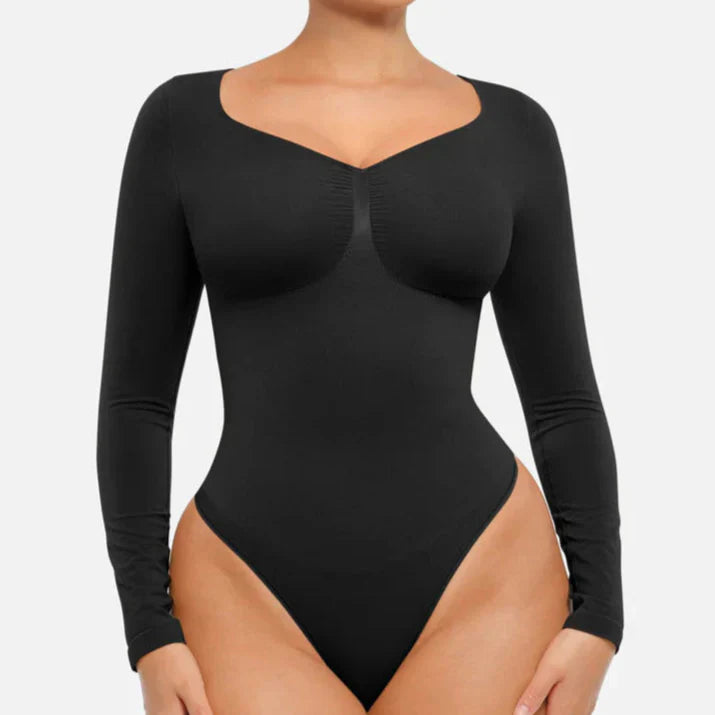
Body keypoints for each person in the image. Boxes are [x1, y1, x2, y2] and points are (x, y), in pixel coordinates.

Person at [97, 1, 623, 713]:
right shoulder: (181, 121)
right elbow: (137, 403)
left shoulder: (516, 129)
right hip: (243, 589)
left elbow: (563, 403)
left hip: (485, 581)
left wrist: (600, 616)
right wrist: (148, 629)